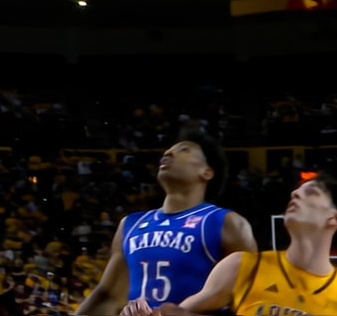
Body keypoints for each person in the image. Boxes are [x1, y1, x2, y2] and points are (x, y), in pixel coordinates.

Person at [123, 172, 337, 316]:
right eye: (295, 192)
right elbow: (179, 314)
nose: (296, 193)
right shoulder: (241, 266)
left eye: (311, 192)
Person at [75, 130, 257, 316]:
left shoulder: (226, 223)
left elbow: (253, 303)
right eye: (168, 151)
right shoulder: (130, 225)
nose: (168, 154)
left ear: (207, 172)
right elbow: (108, 296)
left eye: (183, 150)